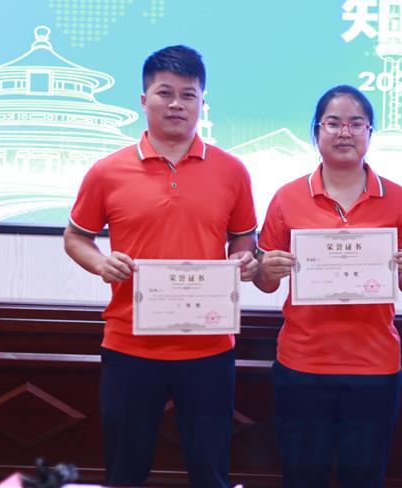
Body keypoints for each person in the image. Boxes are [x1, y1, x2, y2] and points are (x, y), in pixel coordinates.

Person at [63, 45, 258, 487]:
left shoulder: (232, 171)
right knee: (125, 470)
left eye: (189, 95)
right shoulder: (107, 171)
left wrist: (241, 258)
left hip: (209, 345)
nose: (176, 104)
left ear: (202, 102)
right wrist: (101, 263)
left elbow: (243, 238)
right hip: (130, 344)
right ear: (143, 99)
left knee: (210, 470)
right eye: (165, 93)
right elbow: (75, 238)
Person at [254, 85, 402, 487]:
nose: (344, 132)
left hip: (374, 366)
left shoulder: (399, 199)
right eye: (333, 123)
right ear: (316, 131)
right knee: (302, 476)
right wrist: (268, 269)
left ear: (370, 132)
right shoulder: (287, 197)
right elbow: (264, 283)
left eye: (355, 123)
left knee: (364, 477)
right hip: (302, 364)